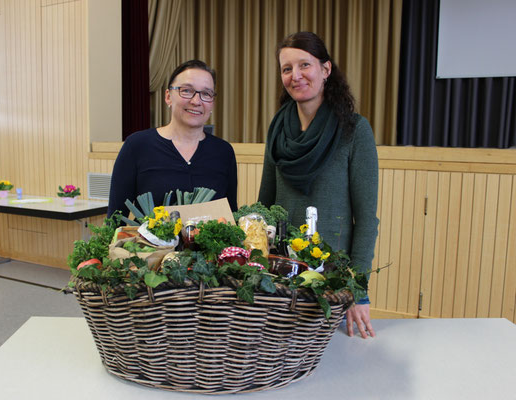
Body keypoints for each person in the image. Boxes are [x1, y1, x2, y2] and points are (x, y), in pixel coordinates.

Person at [258, 32, 379, 339]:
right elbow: (264, 207)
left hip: (332, 284)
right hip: (281, 276)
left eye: (304, 65)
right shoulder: (277, 129)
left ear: (325, 70)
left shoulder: (355, 130)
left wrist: (358, 289)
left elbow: (365, 219)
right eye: (287, 68)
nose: (295, 75)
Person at [107, 60, 238, 220]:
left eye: (206, 94)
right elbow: (115, 217)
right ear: (168, 97)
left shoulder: (223, 152)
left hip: (210, 246)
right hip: (149, 245)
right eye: (187, 91)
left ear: (212, 103)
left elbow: (230, 214)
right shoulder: (137, 146)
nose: (196, 101)